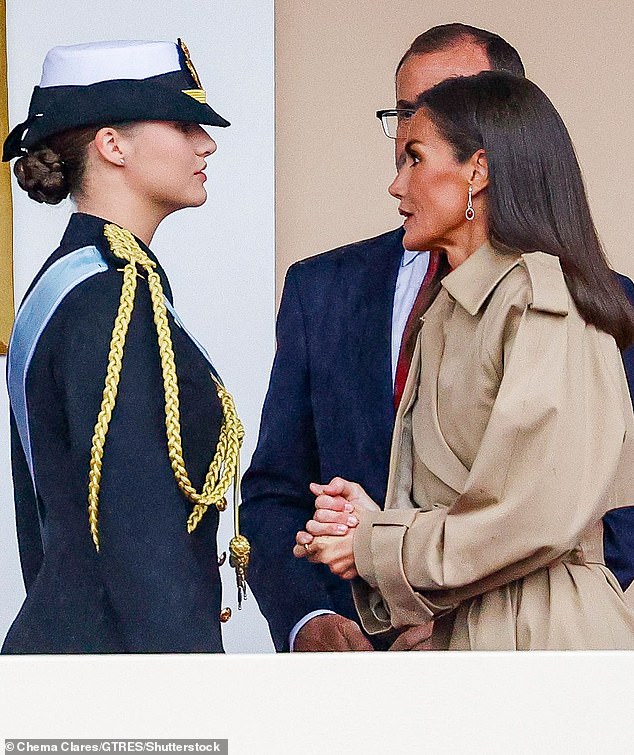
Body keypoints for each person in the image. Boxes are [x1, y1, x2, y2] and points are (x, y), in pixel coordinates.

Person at [241, 23, 634, 651]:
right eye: (401, 118)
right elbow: (293, 489)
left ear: (479, 162)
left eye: (419, 150)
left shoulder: (547, 296)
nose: (398, 169)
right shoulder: (449, 303)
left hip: (536, 646)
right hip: (442, 647)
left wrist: (375, 545)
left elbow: (533, 514)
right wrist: (366, 525)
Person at [2, 39, 248, 653]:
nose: (206, 143)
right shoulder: (112, 294)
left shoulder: (81, 277)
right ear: (113, 145)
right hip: (121, 683)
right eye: (183, 123)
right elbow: (139, 533)